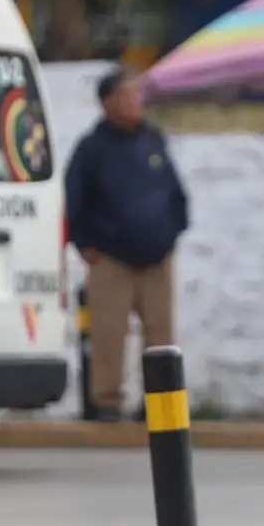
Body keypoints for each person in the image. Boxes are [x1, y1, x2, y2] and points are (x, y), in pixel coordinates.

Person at [65, 69, 189, 422]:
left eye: (137, 94)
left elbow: (174, 192)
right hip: (110, 259)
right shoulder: (91, 148)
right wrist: (85, 243)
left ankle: (160, 403)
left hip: (157, 259)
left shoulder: (153, 140)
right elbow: (74, 199)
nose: (135, 101)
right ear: (107, 102)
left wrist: (174, 230)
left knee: (161, 334)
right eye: (127, 94)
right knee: (109, 332)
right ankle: (107, 402)